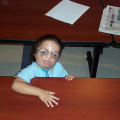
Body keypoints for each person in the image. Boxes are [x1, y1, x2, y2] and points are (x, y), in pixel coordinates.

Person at [11, 34, 74, 108]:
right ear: (35, 54)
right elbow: (16, 85)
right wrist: (40, 93)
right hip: (34, 101)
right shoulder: (32, 69)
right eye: (44, 52)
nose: (49, 57)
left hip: (51, 100)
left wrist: (68, 77)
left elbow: (64, 81)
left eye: (54, 55)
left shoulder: (58, 66)